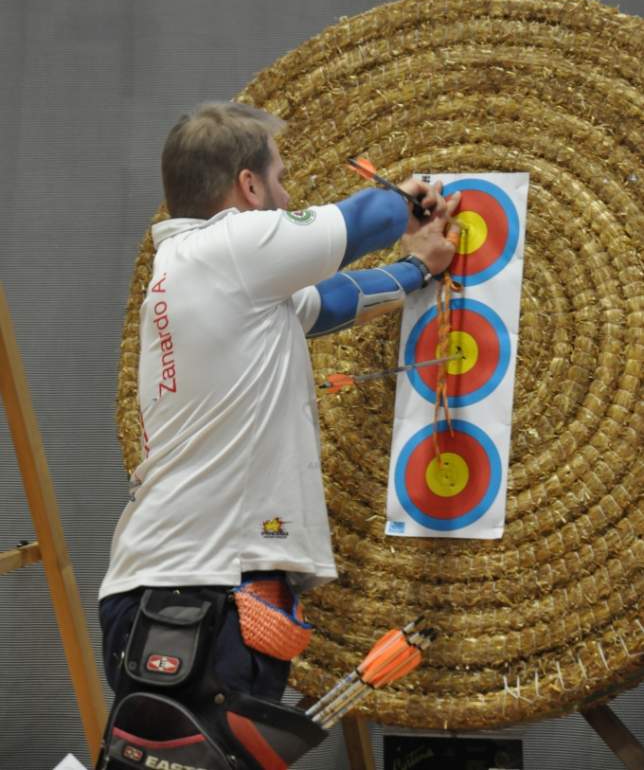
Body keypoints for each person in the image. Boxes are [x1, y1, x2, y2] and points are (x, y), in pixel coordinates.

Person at [98, 101, 460, 707]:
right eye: (280, 179)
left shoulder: (200, 269)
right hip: (197, 594)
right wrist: (412, 199)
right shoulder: (230, 242)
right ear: (247, 185)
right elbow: (360, 219)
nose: (287, 194)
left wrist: (418, 268)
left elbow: (331, 301)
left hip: (175, 587)